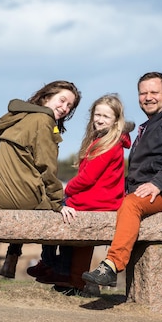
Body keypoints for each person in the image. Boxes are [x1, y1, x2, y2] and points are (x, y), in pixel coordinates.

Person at [0, 80, 82, 292]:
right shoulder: (45, 120)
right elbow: (47, 168)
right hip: (22, 198)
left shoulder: (15, 116)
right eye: (62, 100)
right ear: (46, 97)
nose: (65, 108)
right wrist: (59, 203)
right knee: (42, 196)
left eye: (70, 106)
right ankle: (27, 262)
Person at [82, 71, 162, 287]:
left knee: (131, 204)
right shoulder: (148, 126)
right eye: (143, 93)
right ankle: (75, 280)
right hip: (142, 192)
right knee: (89, 205)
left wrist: (157, 184)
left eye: (154, 92)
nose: (148, 97)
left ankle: (111, 266)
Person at [27, 94, 134, 293]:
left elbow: (87, 178)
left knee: (53, 208)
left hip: (100, 200)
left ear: (116, 121)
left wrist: (64, 191)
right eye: (97, 114)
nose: (100, 119)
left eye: (106, 117)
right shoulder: (104, 140)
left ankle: (51, 264)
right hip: (98, 197)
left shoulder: (109, 144)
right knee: (61, 208)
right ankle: (59, 269)